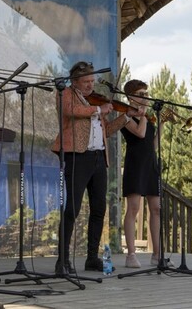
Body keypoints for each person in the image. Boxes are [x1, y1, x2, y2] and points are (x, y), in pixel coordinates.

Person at [51, 61, 142, 274]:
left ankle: (92, 257)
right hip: (77, 156)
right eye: (86, 81)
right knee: (72, 208)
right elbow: (71, 111)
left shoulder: (94, 102)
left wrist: (126, 116)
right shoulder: (66, 94)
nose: (90, 85)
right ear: (75, 81)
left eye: (92, 81)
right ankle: (62, 260)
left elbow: (107, 130)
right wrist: (98, 109)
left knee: (99, 209)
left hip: (99, 158)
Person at [121, 80, 161, 268]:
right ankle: (131, 254)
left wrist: (161, 126)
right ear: (131, 96)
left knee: (156, 208)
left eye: (147, 93)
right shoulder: (125, 116)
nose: (146, 96)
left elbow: (152, 145)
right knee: (134, 208)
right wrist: (143, 114)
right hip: (135, 164)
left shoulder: (147, 117)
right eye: (142, 94)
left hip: (150, 164)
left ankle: (157, 254)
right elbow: (140, 133)